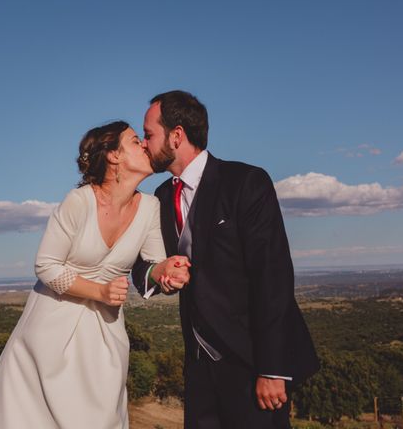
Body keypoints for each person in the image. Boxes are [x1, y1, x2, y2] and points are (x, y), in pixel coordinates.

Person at [0, 121, 190, 429]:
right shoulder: (78, 202)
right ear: (112, 156)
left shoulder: (150, 207)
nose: (146, 145)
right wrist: (100, 292)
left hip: (105, 336)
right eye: (136, 141)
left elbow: (153, 263)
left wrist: (167, 272)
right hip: (49, 331)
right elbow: (47, 265)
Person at [132, 91, 319, 429]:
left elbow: (272, 277)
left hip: (252, 364)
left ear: (176, 136)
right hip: (199, 368)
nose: (144, 144)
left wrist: (271, 369)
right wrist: (158, 272)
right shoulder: (159, 197)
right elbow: (140, 266)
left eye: (148, 134)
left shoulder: (246, 183)